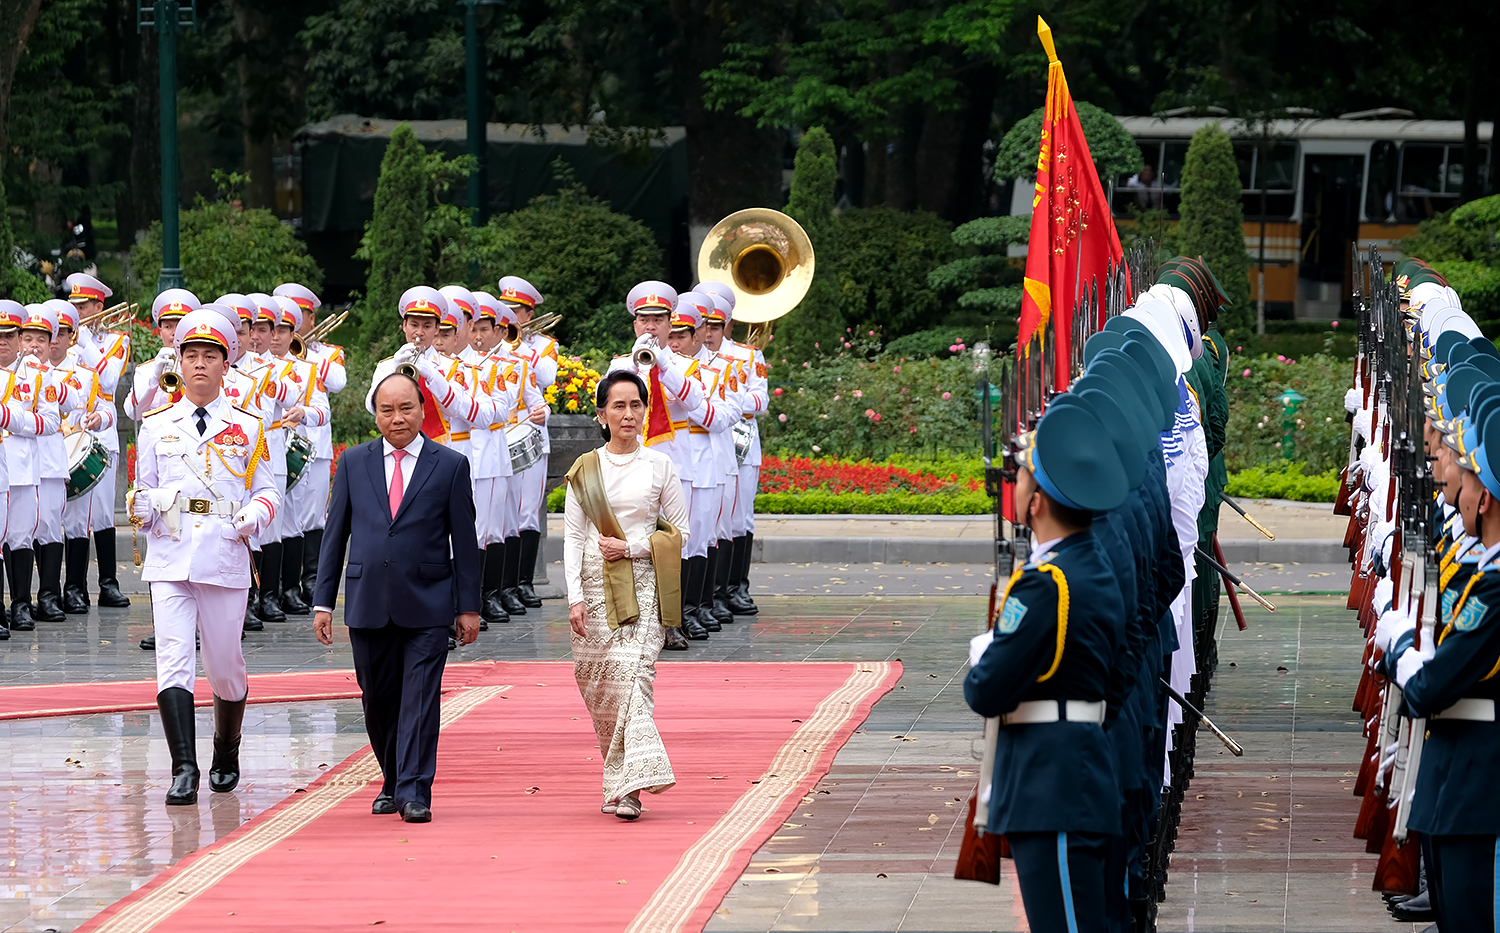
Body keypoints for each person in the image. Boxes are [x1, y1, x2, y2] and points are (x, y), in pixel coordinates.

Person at [964, 398, 1130, 933]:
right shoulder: (1094, 568)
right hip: (1082, 773)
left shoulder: (1045, 585)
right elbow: (1120, 679)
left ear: (1037, 503)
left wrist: (985, 652)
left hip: (1051, 789)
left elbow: (985, 690)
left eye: (1022, 477)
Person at [314, 372, 481, 823]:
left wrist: (468, 607)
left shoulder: (449, 465)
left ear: (422, 409)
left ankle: (413, 790)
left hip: (427, 602)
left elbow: (465, 542)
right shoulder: (353, 462)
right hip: (368, 600)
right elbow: (335, 534)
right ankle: (391, 777)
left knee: (421, 698)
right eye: (386, 410)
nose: (397, 418)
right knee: (379, 698)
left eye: (405, 408)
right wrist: (323, 601)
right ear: (376, 416)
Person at [128, 309, 280, 804]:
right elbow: (144, 489)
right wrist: (139, 506)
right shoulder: (155, 426)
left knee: (224, 665)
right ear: (179, 360)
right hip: (171, 557)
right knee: (173, 660)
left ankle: (226, 746)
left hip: (223, 555)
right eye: (190, 355)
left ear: (226, 363)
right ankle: (184, 768)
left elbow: (269, 492)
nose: (198, 364)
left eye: (209, 356)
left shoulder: (248, 426)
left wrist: (252, 517)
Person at [564, 370, 686, 820]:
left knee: (634, 680)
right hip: (594, 591)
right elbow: (573, 538)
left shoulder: (661, 467)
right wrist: (574, 597)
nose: (628, 414)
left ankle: (631, 788)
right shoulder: (585, 470)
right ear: (602, 415)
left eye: (636, 405)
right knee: (604, 688)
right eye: (618, 406)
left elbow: (680, 532)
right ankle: (618, 776)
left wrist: (633, 548)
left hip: (643, 587)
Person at [606, 281, 709, 650]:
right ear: (634, 324)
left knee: (671, 544)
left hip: (674, 461)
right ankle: (630, 616)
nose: (650, 327)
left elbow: (696, 401)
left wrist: (663, 364)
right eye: (644, 319)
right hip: (631, 460)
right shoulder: (620, 365)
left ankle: (671, 623)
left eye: (658, 320)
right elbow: (609, 407)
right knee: (630, 537)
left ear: (670, 323)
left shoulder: (684, 364)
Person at [63, 272, 132, 611]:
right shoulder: (65, 339)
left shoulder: (116, 340)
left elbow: (107, 378)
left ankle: (109, 584)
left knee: (104, 512)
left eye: (85, 305)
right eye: (75, 305)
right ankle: (74, 587)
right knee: (76, 513)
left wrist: (87, 341)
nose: (79, 311)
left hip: (102, 432)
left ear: (99, 305)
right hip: (71, 430)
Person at [499, 276, 556, 608]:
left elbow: (546, 377)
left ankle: (524, 583)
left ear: (528, 313)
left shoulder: (544, 346)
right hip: (498, 435)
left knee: (528, 514)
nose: (509, 317)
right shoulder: (491, 344)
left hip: (529, 433)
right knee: (502, 515)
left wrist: (520, 345)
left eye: (515, 311)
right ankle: (503, 585)